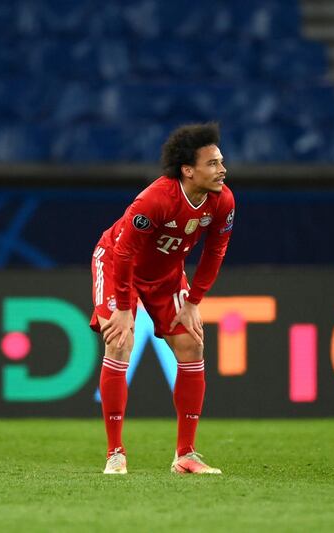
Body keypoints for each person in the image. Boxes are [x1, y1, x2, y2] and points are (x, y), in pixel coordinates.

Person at [90, 122, 234, 472]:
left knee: (192, 346)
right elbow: (123, 254)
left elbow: (216, 251)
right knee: (120, 343)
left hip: (166, 277)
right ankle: (115, 454)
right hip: (116, 266)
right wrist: (125, 308)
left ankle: (185, 454)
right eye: (212, 163)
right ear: (189, 170)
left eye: (221, 161)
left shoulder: (222, 200)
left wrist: (193, 301)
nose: (222, 169)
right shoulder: (156, 199)